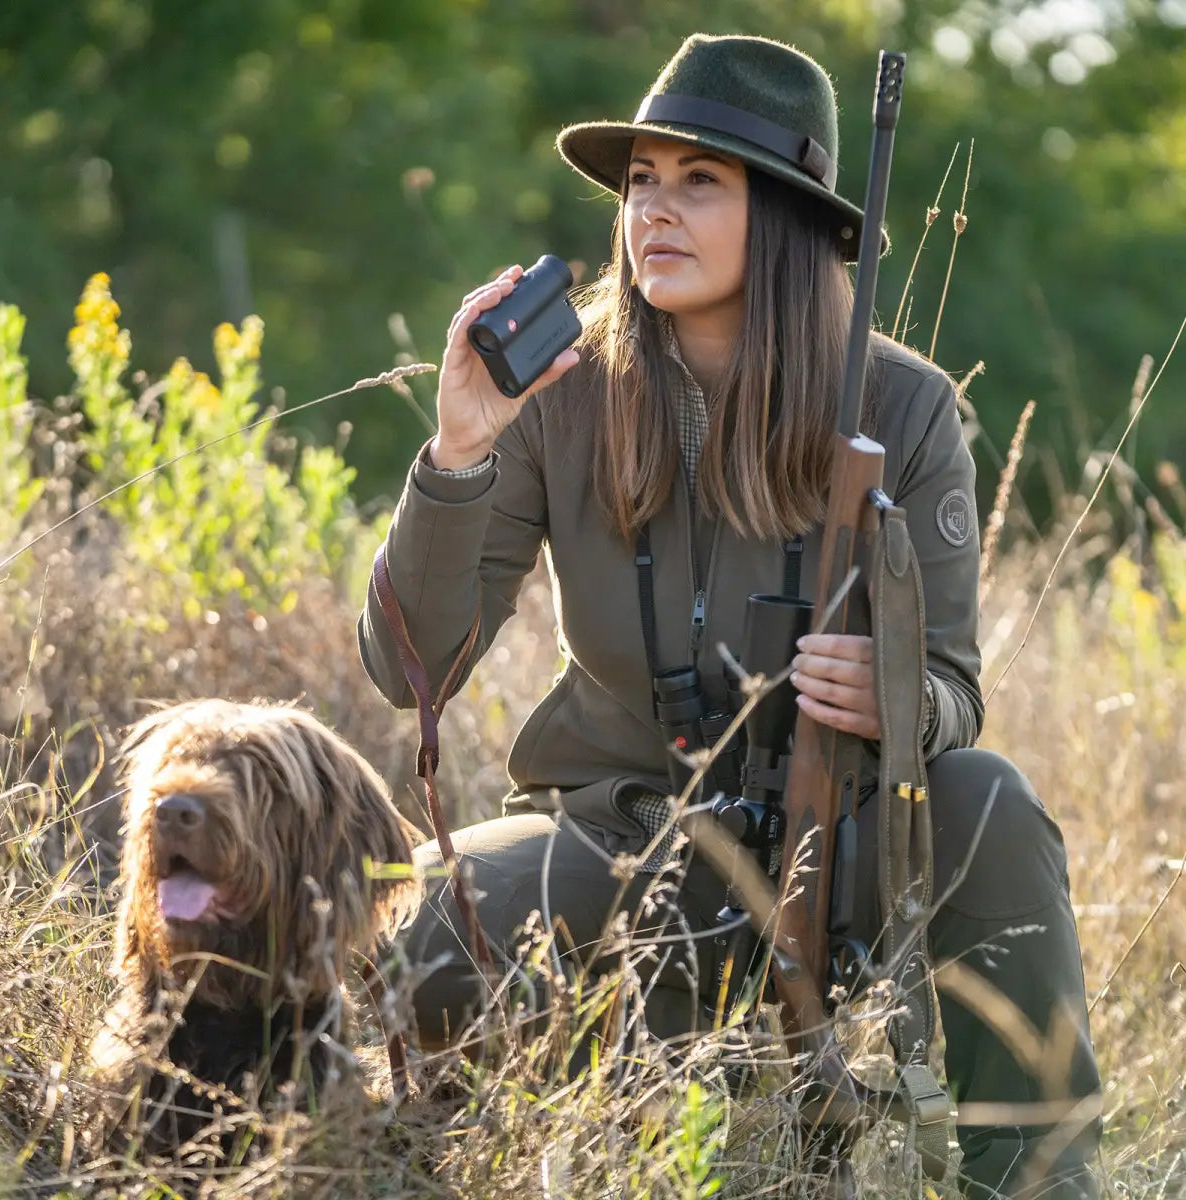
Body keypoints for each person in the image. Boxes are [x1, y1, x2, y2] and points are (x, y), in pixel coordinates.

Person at [358, 32, 1102, 1200]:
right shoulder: (553, 398)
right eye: (641, 181)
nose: (655, 208)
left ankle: (1041, 1181)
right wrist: (457, 451)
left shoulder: (903, 410)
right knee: (407, 927)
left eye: (700, 181)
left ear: (792, 219)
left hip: (844, 850)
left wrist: (901, 701)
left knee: (991, 802)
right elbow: (411, 671)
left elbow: (956, 687)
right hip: (615, 843)